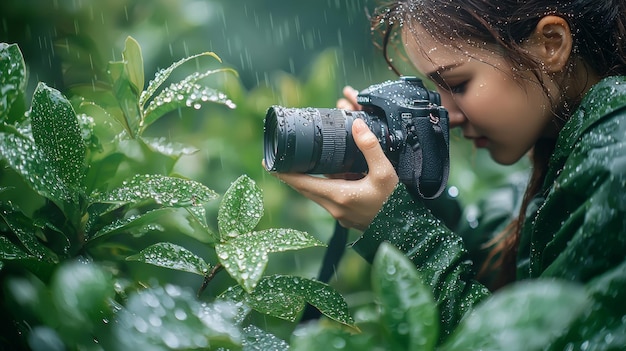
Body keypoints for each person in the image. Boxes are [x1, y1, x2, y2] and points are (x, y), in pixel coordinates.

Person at [268, 0, 626, 346]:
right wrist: (401, 187)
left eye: (456, 84)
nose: (448, 115)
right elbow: (496, 252)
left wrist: (400, 229)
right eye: (433, 89)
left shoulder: (614, 160)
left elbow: (543, 342)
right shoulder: (580, 146)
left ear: (550, 44)